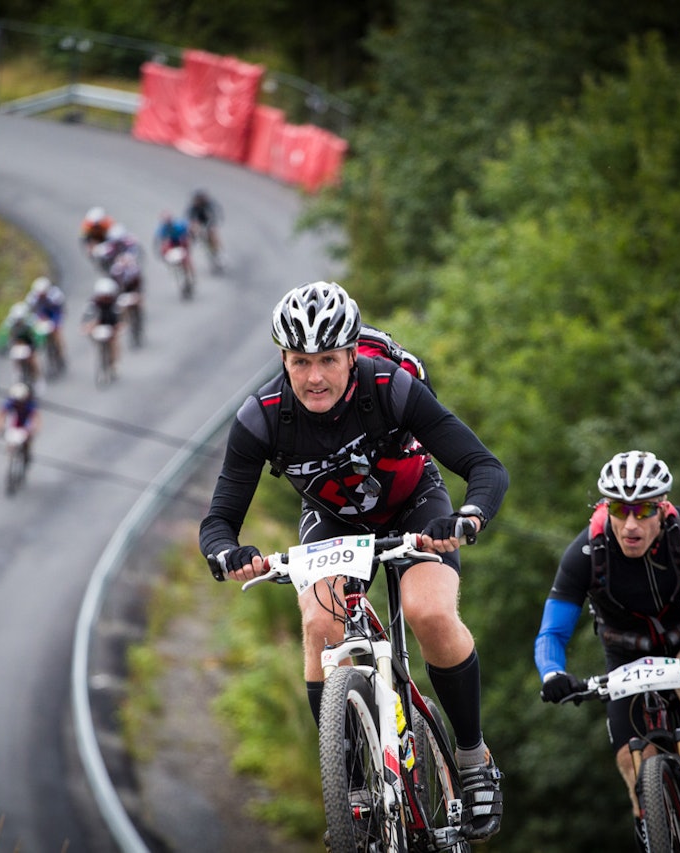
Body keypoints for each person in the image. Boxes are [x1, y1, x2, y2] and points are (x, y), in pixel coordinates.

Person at [198, 281, 509, 841]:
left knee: (429, 611)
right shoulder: (262, 417)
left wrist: (468, 517)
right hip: (334, 521)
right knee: (321, 624)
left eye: (327, 360)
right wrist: (229, 554)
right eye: (300, 362)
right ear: (283, 360)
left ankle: (472, 757)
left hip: (415, 504)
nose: (314, 377)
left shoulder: (391, 386)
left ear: (350, 356)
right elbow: (218, 521)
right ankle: (351, 785)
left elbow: (485, 467)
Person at [534, 450, 680, 852]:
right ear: (606, 509)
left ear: (662, 509)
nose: (631, 525)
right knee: (631, 764)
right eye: (619, 510)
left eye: (642, 511)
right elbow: (551, 632)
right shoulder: (585, 553)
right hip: (625, 653)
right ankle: (656, 830)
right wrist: (553, 673)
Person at [81, 277, 122, 376]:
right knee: (93, 334)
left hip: (110, 323)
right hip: (98, 326)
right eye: (102, 296)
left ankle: (114, 362)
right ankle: (101, 352)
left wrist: (117, 328)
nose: (104, 299)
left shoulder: (115, 304)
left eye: (107, 297)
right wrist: (87, 328)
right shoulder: (92, 304)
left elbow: (119, 320)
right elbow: (86, 319)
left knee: (114, 341)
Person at [25, 276, 66, 374]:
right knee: (37, 331)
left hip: (54, 314)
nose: (41, 295)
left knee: (57, 333)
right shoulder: (31, 298)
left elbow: (59, 311)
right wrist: (37, 321)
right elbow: (31, 313)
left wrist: (55, 323)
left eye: (43, 293)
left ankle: (61, 352)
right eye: (40, 294)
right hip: (41, 315)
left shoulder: (55, 295)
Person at [0, 381, 41, 463]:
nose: (19, 403)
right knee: (10, 439)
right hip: (14, 423)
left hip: (25, 423)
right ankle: (10, 452)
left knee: (28, 438)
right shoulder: (10, 403)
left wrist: (35, 428)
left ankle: (27, 453)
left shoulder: (29, 404)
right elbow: (1, 414)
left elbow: (35, 417)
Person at [0, 301, 41, 386]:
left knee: (32, 358)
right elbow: (3, 335)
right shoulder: (8, 323)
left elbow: (38, 332)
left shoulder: (30, 320)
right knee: (15, 357)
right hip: (16, 340)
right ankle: (18, 374)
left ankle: (37, 379)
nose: (19, 321)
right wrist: (1, 346)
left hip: (29, 339)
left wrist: (38, 343)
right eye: (17, 320)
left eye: (21, 320)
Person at [186, 189, 223, 271]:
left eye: (199, 200)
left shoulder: (209, 205)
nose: (197, 202)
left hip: (209, 222)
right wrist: (191, 228)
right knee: (193, 230)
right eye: (196, 200)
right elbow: (188, 219)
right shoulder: (193, 208)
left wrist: (213, 224)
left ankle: (219, 252)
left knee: (212, 232)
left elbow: (216, 214)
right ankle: (197, 240)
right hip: (199, 223)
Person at [154, 212, 195, 285]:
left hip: (181, 242)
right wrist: (162, 254)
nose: (168, 223)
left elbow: (189, 232)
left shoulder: (179, 225)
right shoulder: (162, 229)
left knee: (187, 258)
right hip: (172, 244)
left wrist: (189, 238)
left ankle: (191, 275)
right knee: (166, 247)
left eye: (168, 221)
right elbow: (160, 242)